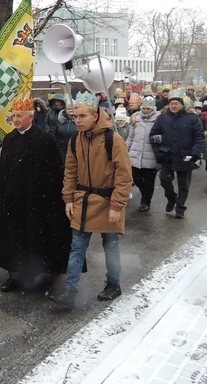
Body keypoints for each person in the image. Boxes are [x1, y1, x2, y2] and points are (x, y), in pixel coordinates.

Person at [49, 91, 133, 309]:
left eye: (82, 116)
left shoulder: (113, 139)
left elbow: (124, 176)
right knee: (77, 247)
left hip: (107, 201)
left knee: (110, 245)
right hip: (82, 201)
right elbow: (70, 170)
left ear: (95, 116)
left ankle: (114, 284)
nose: (77, 120)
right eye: (75, 117)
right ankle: (69, 291)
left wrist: (117, 205)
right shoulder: (75, 139)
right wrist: (68, 198)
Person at [0, 96, 72, 293]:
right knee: (15, 239)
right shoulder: (9, 139)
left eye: (19, 115)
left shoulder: (45, 139)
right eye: (13, 116)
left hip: (39, 201)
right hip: (14, 201)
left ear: (31, 117)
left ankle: (45, 277)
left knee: (39, 239)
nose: (15, 119)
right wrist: (3, 196)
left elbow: (56, 171)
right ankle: (15, 275)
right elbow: (4, 172)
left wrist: (56, 199)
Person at [149, 90, 205, 219]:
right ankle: (171, 198)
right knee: (164, 180)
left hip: (186, 155)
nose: (174, 106)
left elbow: (199, 136)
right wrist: (159, 152)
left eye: (176, 103)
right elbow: (153, 136)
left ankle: (180, 208)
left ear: (182, 105)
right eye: (172, 103)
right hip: (167, 155)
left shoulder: (191, 118)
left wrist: (195, 152)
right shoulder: (162, 118)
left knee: (183, 184)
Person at [126, 96, 159, 212]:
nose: (145, 111)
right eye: (144, 108)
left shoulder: (158, 120)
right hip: (135, 155)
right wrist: (125, 150)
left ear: (152, 109)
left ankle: (146, 202)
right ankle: (145, 193)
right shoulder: (136, 120)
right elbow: (130, 137)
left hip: (151, 156)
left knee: (149, 181)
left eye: (148, 109)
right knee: (136, 178)